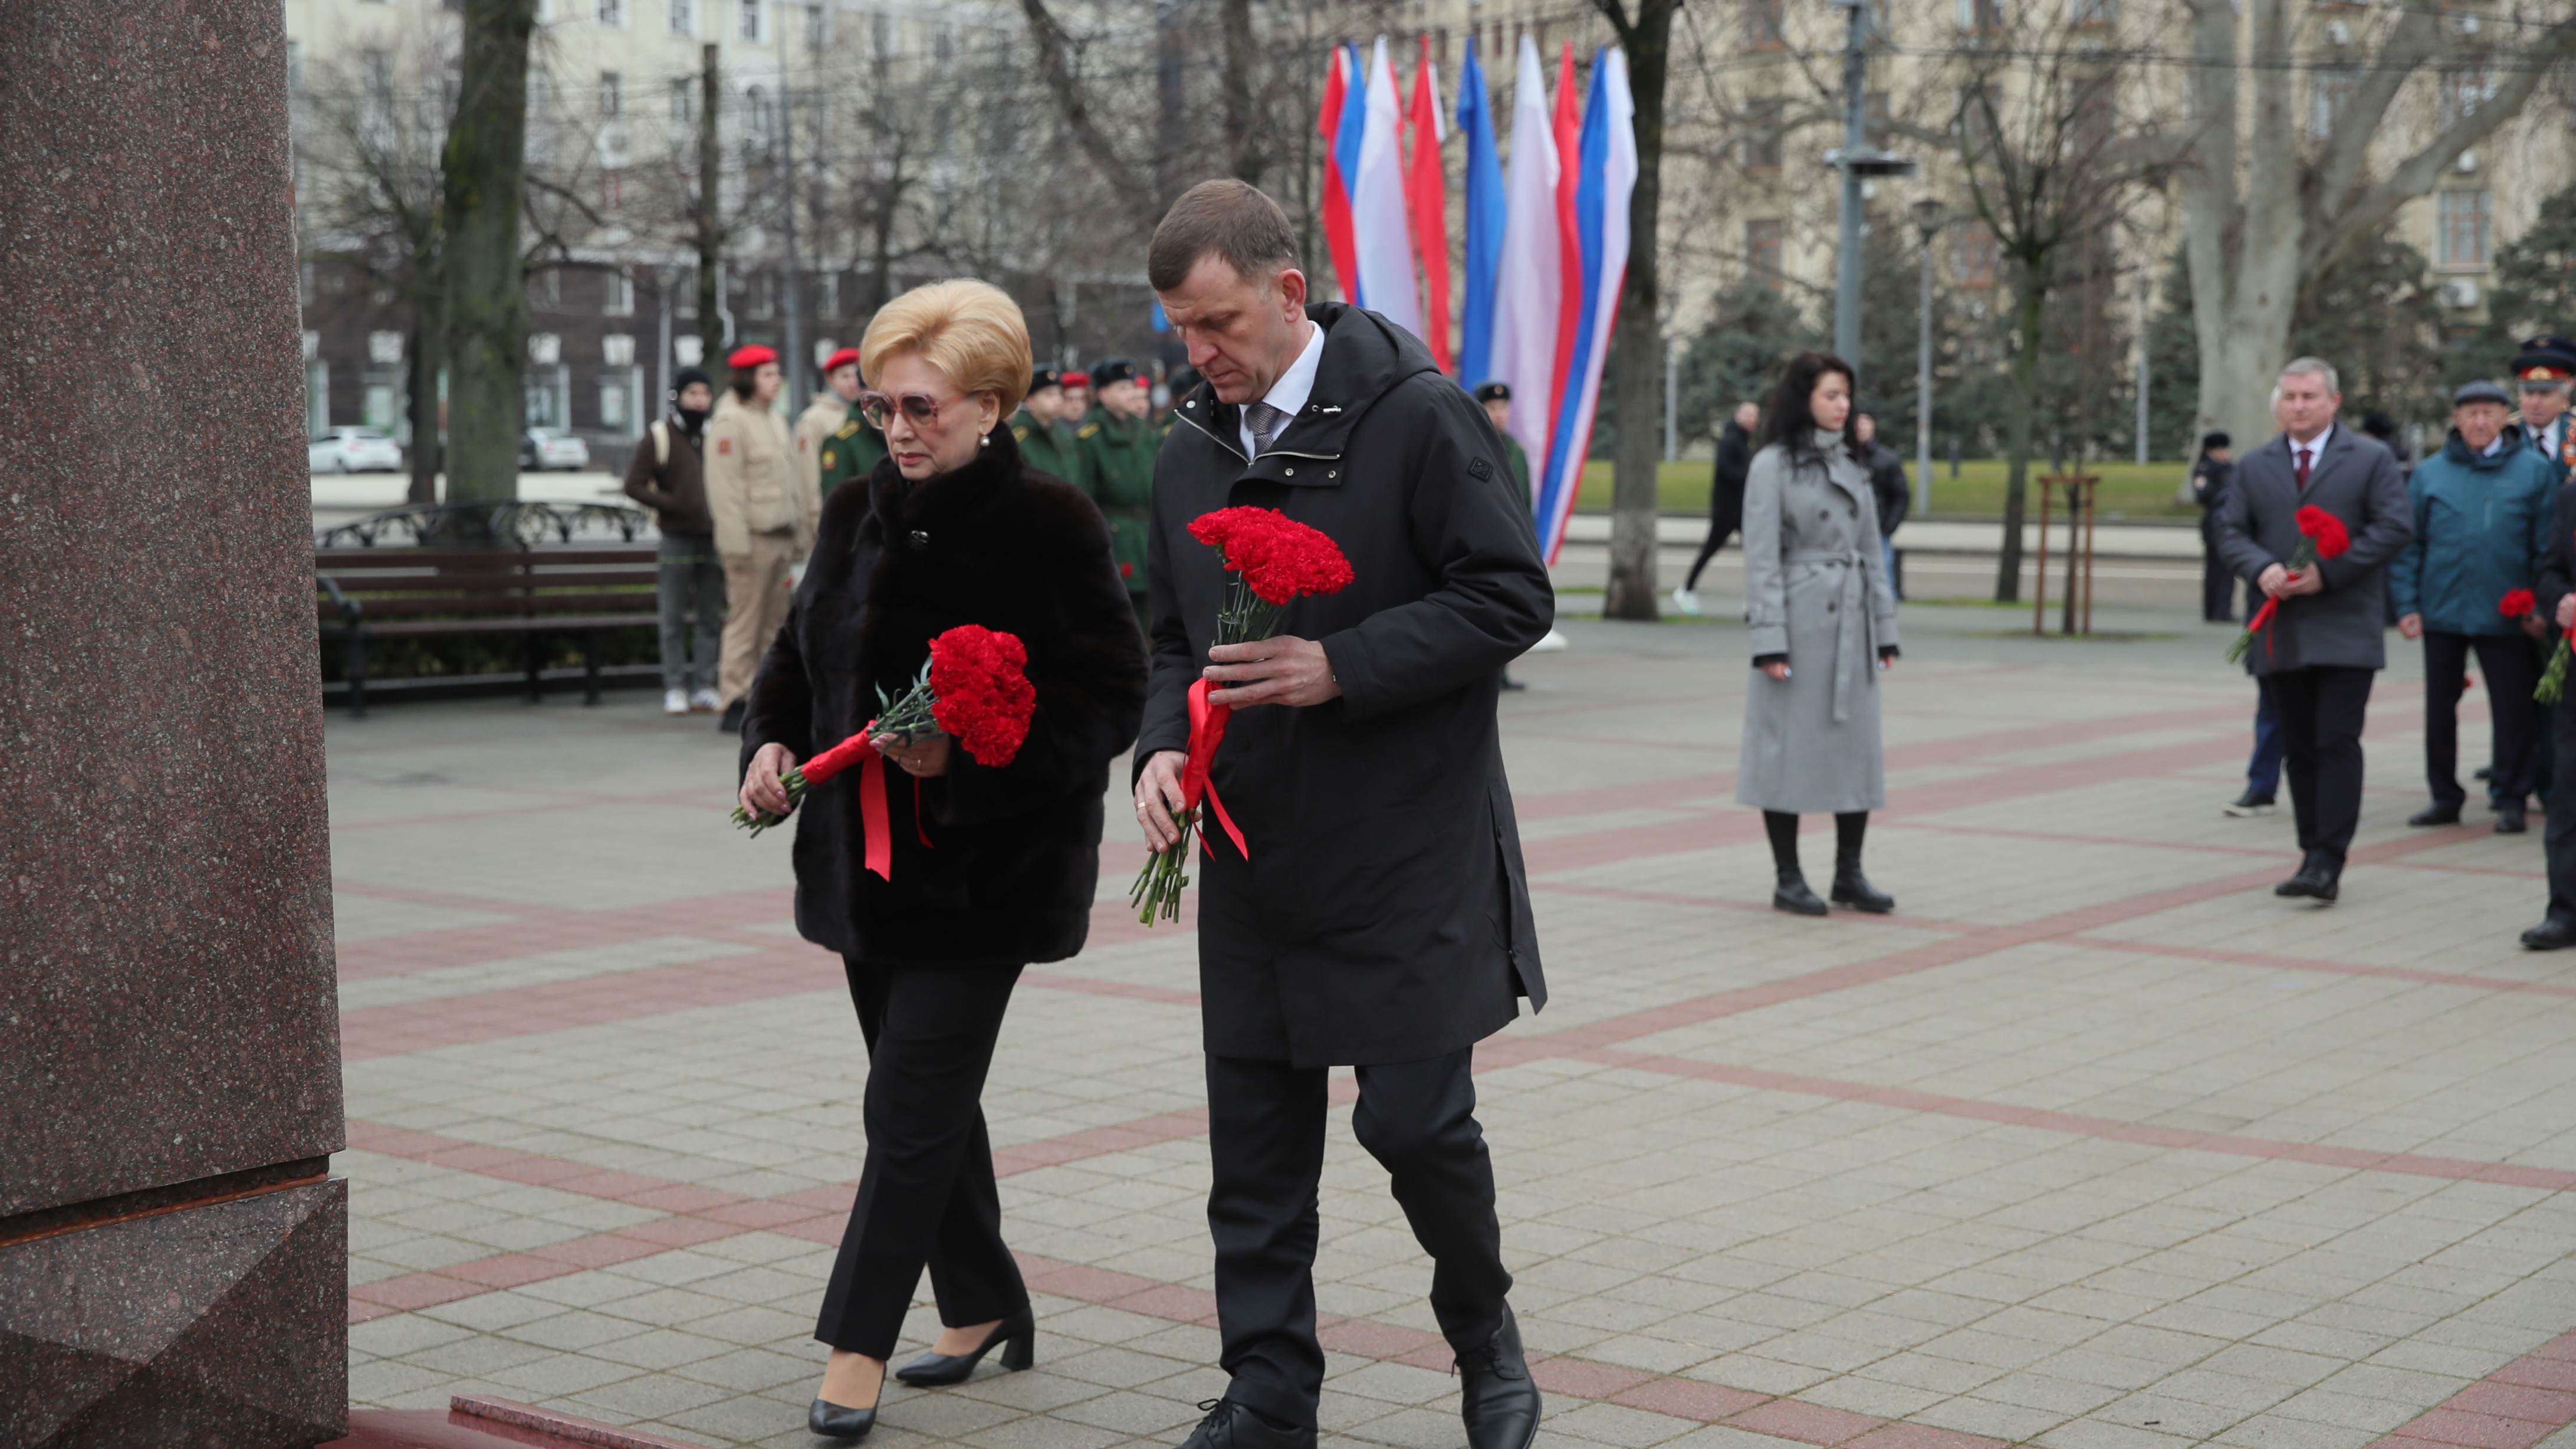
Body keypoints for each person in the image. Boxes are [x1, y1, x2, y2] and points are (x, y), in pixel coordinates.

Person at [1133, 180, 1552, 1449]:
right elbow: (1168, 637)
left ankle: (1484, 1335)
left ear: (1288, 291)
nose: (1200, 356)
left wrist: (1342, 664)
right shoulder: (1190, 447)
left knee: (1414, 1123)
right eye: (1182, 333)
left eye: (1216, 323)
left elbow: (1509, 595)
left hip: (1405, 849)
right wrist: (1159, 750)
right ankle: (1270, 1388)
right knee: (1255, 1147)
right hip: (1256, 854)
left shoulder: (1417, 417)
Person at [737, 279, 1148, 1441]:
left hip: (987, 876)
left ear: (989, 404)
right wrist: (770, 742)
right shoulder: (850, 513)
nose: (900, 430)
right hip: (860, 870)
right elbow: (793, 651)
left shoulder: (1052, 523)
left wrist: (966, 767)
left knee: (909, 1106)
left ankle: (856, 1342)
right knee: (918, 1097)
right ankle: (982, 1301)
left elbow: (1110, 695)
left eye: (920, 407)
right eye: (882, 408)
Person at [2212, 357, 2412, 903]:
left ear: (2334, 403)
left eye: (2310, 397)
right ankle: (2310, 854)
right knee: (2298, 746)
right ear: (2279, 404)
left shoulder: (2369, 458)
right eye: (2291, 397)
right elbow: (2228, 529)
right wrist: (2261, 568)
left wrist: (2328, 574)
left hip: (2345, 625)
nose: (2299, 406)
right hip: (2282, 629)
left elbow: (2395, 526)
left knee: (2335, 741)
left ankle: (2330, 859)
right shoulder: (2255, 465)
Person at [1737, 353, 1901, 916]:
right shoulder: (1773, 466)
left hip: (1850, 629)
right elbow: (1760, 560)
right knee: (1786, 753)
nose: (1843, 405)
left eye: (1846, 395)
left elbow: (1872, 554)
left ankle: (1849, 874)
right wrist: (1769, 640)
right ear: (1804, 397)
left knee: (1854, 752)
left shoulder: (1856, 466)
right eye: (1832, 394)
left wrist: (1885, 631)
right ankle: (1788, 877)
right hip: (1799, 627)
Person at [2393, 379, 2559, 833]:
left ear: (2506, 418)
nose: (2480, 422)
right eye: (2470, 414)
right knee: (2439, 708)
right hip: (2443, 609)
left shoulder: (2532, 472)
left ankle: (2510, 796)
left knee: (2512, 710)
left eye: (2489, 412)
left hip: (2509, 615)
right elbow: (2411, 545)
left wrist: (2539, 605)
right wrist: (2406, 603)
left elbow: (2545, 548)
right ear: (2456, 419)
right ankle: (2444, 796)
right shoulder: (2430, 474)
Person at [707, 344, 819, 734]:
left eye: (777, 373)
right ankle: (734, 696)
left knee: (774, 624)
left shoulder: (772, 419)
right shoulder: (730, 420)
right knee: (745, 622)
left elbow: (792, 484)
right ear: (747, 377)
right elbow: (725, 489)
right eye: (768, 373)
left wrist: (801, 535)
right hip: (751, 540)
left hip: (779, 537)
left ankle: (765, 694)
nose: (776, 380)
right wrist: (735, 545)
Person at [624, 366, 726, 716]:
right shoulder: (660, 436)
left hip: (713, 539)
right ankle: (674, 687)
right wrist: (673, 505)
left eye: (705, 394)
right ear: (679, 397)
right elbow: (634, 484)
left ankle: (705, 685)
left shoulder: (716, 434)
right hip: (676, 539)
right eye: (692, 394)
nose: (699, 401)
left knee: (711, 616)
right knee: (672, 617)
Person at [2522, 441, 2576, 948]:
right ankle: (2565, 910)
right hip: (2575, 672)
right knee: (2568, 789)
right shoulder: (2569, 497)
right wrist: (2560, 599)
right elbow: (2550, 568)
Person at [1075, 356, 1159, 621]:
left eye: (1132, 387)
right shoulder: (1091, 437)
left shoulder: (1142, 431)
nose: (1131, 393)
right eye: (1122, 388)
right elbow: (1084, 495)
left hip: (1146, 531)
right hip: (1116, 535)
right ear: (1103, 394)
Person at [1675, 400, 1759, 615]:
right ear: (1738, 416)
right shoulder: (1731, 440)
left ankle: (1753, 598)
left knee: (1754, 552)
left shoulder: (1741, 440)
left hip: (1737, 509)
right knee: (1713, 549)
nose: (1752, 419)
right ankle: (1686, 590)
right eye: (1748, 415)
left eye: (1754, 416)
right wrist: (1749, 477)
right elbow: (1726, 470)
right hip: (1728, 510)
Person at [1853, 412, 1909, 600]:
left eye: (1865, 424)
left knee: (1883, 572)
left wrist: (1889, 526)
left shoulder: (1887, 460)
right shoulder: (1844, 458)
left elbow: (1901, 495)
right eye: (1858, 425)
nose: (1861, 429)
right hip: (1849, 529)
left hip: (1878, 529)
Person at [796, 346, 862, 502]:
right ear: (830, 380)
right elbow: (808, 478)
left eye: (857, 375)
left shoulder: (867, 414)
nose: (853, 382)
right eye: (845, 376)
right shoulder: (813, 420)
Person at [2517, 335, 2576, 488]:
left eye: (2545, 394)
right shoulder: (2505, 434)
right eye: (2529, 394)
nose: (2535, 403)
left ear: (2564, 399)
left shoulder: (2573, 431)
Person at [1007, 365, 1082, 482]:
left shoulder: (1062, 433)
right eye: (1049, 394)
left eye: (1059, 393)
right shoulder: (1019, 439)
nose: (1058, 400)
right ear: (1030, 401)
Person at [2191, 432, 2237, 623]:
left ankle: (2222, 609)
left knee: (2227, 571)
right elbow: (2204, 495)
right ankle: (2215, 610)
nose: (2224, 453)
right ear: (2211, 451)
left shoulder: (2230, 468)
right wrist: (2226, 494)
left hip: (2229, 523)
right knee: (2216, 571)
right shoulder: (2204, 470)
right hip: (2213, 524)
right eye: (2221, 449)